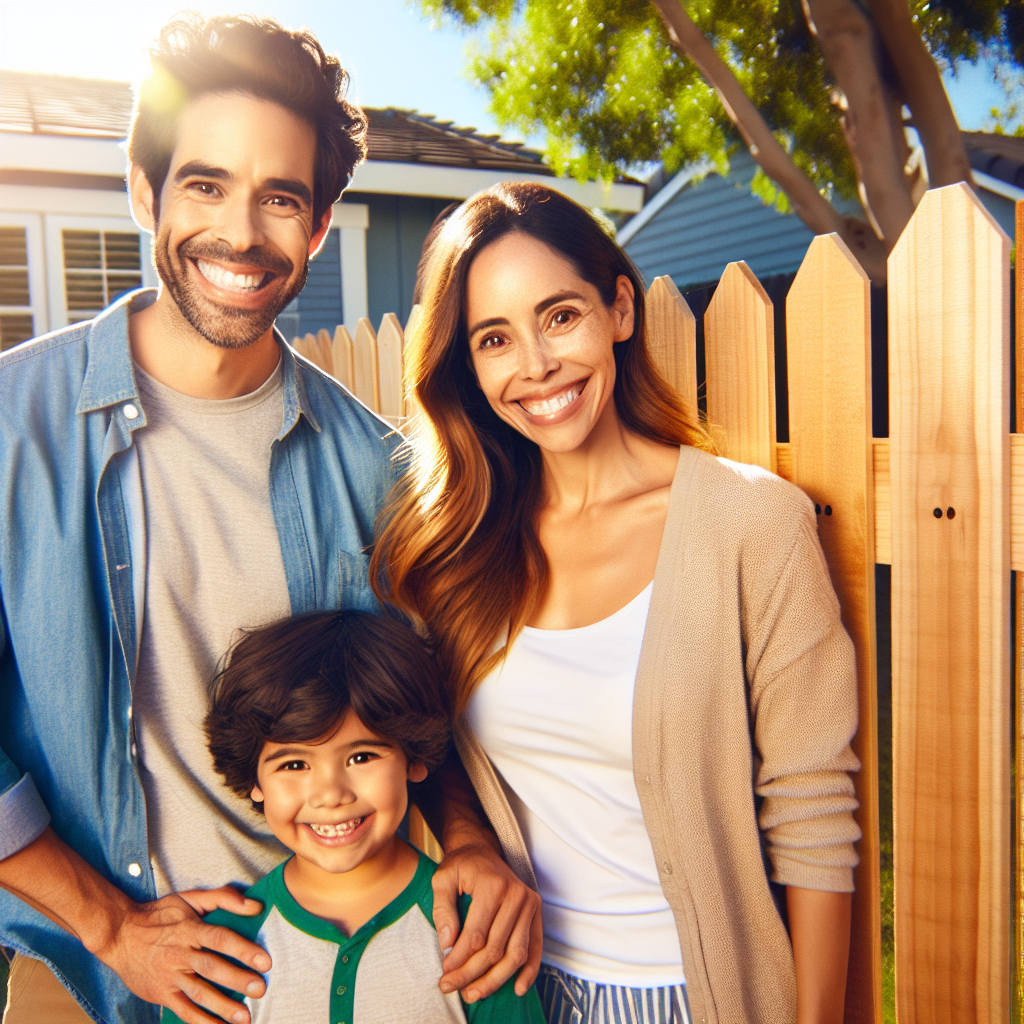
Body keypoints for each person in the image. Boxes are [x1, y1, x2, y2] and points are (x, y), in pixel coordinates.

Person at [0, 18, 538, 1024]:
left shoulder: (375, 471)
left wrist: (465, 840)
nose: (241, 233)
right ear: (144, 189)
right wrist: (114, 926)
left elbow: (426, 713)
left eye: (280, 198)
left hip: (299, 968)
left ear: (321, 224)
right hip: (77, 960)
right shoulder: (9, 429)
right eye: (205, 185)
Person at [372, 182, 862, 1024]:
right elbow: (429, 744)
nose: (536, 364)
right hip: (514, 995)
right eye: (495, 338)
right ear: (469, 365)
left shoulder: (752, 523)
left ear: (620, 310)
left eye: (559, 316)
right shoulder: (460, 549)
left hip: (693, 997)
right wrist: (467, 839)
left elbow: (814, 812)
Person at [160, 609, 545, 1024]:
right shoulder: (218, 946)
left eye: (361, 757)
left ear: (413, 758)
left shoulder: (477, 927)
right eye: (293, 765)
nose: (331, 795)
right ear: (254, 779)